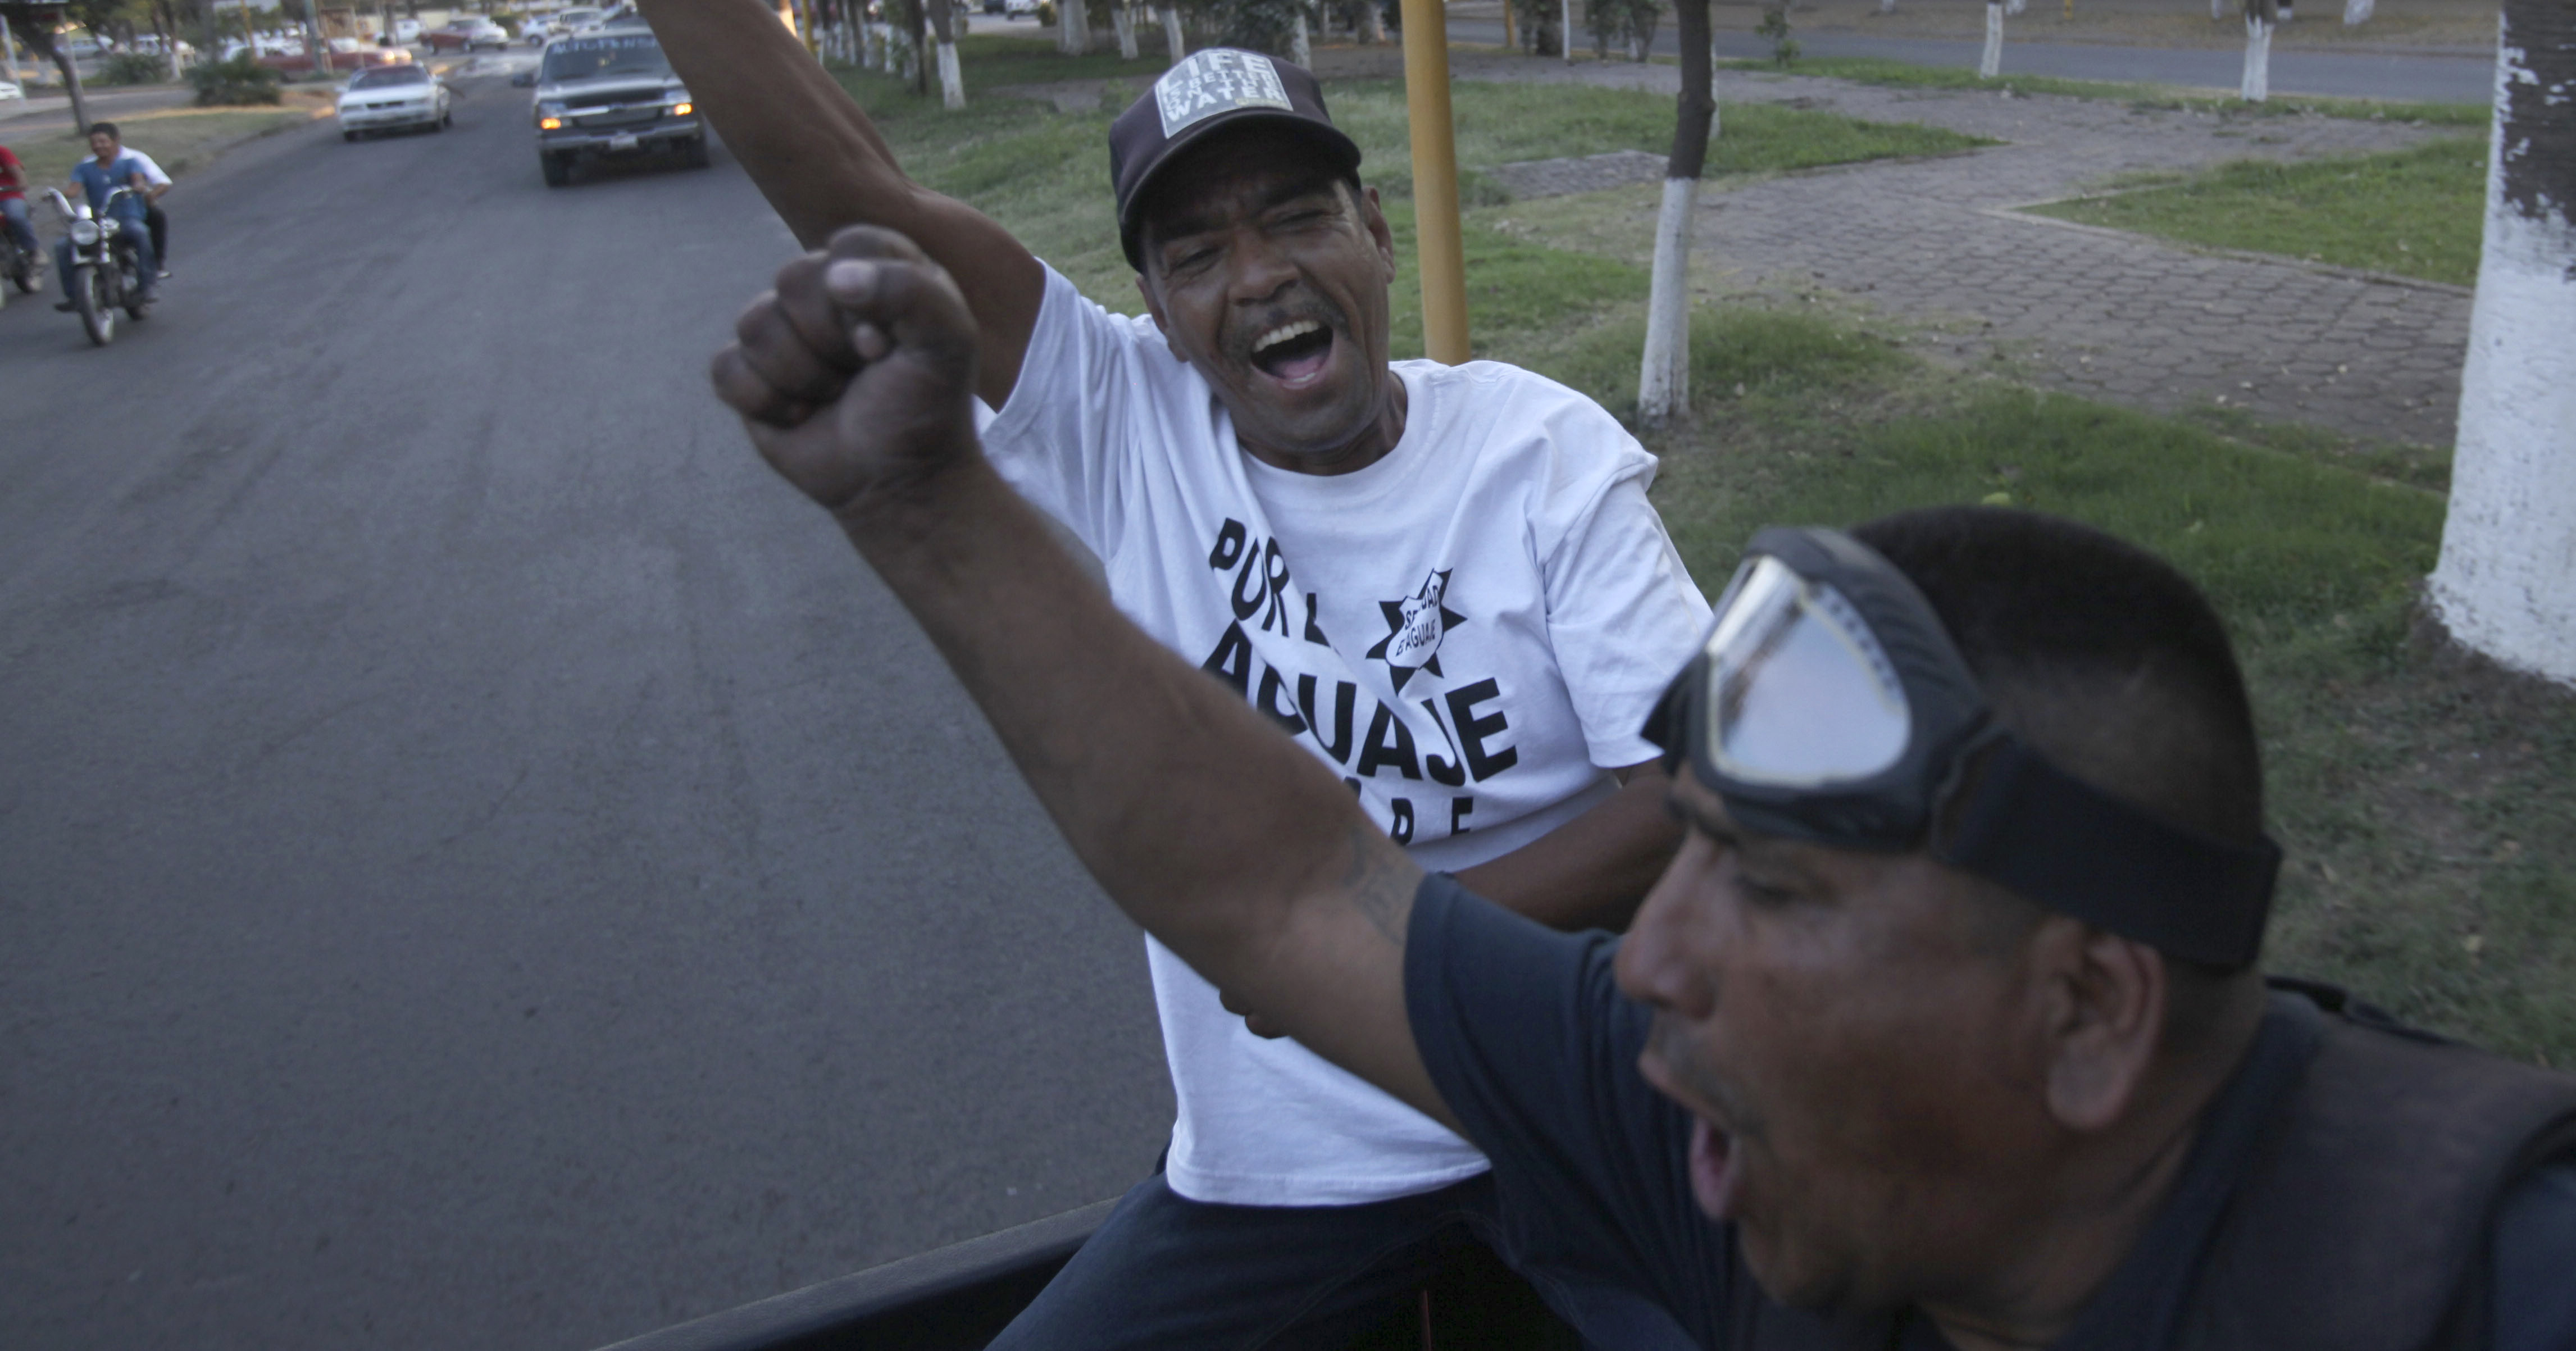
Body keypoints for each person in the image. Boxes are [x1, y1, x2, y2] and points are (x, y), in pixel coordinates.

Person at [320, 0, 1710, 1346]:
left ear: (1373, 229)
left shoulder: (1536, 449)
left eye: (1295, 215)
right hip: (1280, 1172)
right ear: (1149, 306)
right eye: (1195, 250)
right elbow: (862, 200)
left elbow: (1699, 794)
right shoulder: (1121, 419)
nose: (1259, 272)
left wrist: (1382, 952)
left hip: (1574, 1107)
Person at [710, 229, 2576, 1349]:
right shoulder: (1741, 1127)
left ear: (2086, 1008)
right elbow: (1292, 894)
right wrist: (922, 501)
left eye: (1766, 890)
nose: (1649, 952)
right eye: (1676, 846)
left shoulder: (2468, 1277)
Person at [53, 123, 166, 308]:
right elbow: (74, 190)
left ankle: (148, 285)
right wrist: (58, 195)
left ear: (115, 141)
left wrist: (137, 186)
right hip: (99, 220)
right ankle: (74, 296)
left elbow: (138, 181)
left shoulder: (131, 162)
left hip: (127, 217)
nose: (98, 146)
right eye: (94, 143)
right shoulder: (84, 168)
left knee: (141, 234)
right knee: (63, 246)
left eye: (103, 141)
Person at [0, 142, 40, 281]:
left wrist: (21, 182)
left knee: (16, 216)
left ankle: (34, 251)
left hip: (9, 195)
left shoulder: (2, 152)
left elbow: (18, 172)